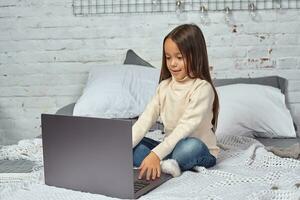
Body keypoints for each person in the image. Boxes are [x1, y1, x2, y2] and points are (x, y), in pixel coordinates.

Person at [132, 24, 220, 181]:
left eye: (179, 57)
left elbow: (184, 128)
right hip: (170, 149)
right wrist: (123, 145)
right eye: (168, 57)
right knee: (132, 146)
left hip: (197, 149)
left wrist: (156, 154)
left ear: (196, 55)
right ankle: (166, 165)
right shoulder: (164, 87)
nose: (172, 63)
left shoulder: (202, 88)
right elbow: (145, 120)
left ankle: (163, 162)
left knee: (190, 147)